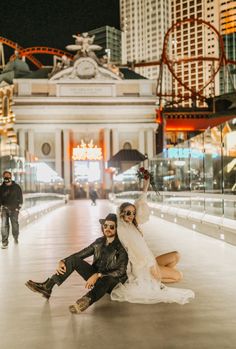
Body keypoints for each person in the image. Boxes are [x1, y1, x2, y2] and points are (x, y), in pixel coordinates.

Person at [111, 178, 195, 304]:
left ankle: (157, 277)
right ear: (121, 213)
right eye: (128, 213)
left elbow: (139, 203)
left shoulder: (133, 224)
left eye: (133, 213)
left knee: (176, 255)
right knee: (178, 276)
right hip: (143, 266)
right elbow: (135, 254)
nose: (131, 215)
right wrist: (151, 269)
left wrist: (146, 186)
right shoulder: (122, 230)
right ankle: (154, 280)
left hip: (149, 260)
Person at [25, 213, 128, 314]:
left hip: (112, 282)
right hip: (95, 276)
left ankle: (85, 301)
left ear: (116, 229)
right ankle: (48, 287)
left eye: (111, 227)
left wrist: (98, 275)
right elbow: (80, 255)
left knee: (106, 280)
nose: (107, 229)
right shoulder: (99, 242)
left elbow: (121, 271)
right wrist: (62, 261)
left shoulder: (121, 247)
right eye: (105, 226)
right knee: (74, 260)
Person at [0, 171, 23, 249]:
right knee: (4, 226)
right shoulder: (1, 188)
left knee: (14, 225)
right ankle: (4, 242)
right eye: (5, 177)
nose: (7, 178)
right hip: (4, 209)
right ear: (3, 177)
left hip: (14, 210)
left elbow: (20, 198)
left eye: (8, 176)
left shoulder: (16, 187)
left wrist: (18, 208)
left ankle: (16, 237)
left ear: (11, 177)